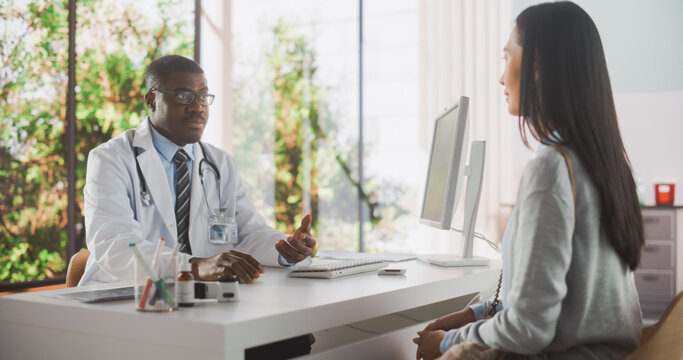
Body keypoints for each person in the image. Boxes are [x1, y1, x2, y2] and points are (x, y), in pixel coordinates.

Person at [413, 2, 644, 359]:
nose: (501, 77)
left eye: (507, 57)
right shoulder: (604, 162)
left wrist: (444, 343)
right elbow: (566, 300)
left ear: (538, 67)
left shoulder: (552, 168)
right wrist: (476, 313)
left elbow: (528, 329)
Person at [79, 55, 316, 285]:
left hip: (196, 295)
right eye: (184, 96)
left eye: (203, 96)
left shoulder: (221, 164)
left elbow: (248, 234)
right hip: (121, 295)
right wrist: (193, 267)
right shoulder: (110, 159)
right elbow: (115, 245)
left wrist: (286, 248)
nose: (197, 107)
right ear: (151, 100)